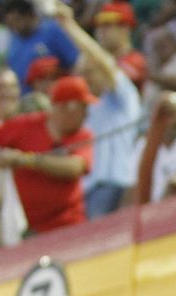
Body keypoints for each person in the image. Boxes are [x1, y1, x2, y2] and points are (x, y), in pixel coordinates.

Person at [52, 3, 142, 219]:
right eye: (81, 73)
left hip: (112, 185)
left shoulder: (122, 98)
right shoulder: (84, 111)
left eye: (91, 72)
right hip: (84, 191)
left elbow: (105, 64)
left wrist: (69, 25)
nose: (86, 78)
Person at [0, 74, 96, 234]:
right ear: (64, 107)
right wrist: (0, 154)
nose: (87, 114)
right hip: (33, 228)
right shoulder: (28, 125)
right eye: (83, 107)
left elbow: (74, 168)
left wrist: (23, 159)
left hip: (70, 224)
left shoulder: (83, 135)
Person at [5, 0, 82, 89]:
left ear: (30, 15)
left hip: (53, 93)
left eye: (17, 20)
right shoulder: (14, 40)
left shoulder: (53, 31)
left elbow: (75, 63)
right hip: (24, 98)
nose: (14, 25)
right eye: (11, 23)